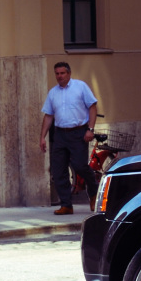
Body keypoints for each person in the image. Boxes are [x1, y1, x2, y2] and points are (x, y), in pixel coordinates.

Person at [38, 61, 98, 214]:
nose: (59, 76)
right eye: (57, 73)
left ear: (69, 73)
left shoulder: (80, 87)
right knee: (58, 171)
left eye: (62, 73)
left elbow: (92, 107)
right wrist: (42, 137)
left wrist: (90, 129)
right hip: (60, 134)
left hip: (78, 133)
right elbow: (48, 116)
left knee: (80, 166)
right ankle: (66, 204)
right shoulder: (53, 93)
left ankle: (94, 194)